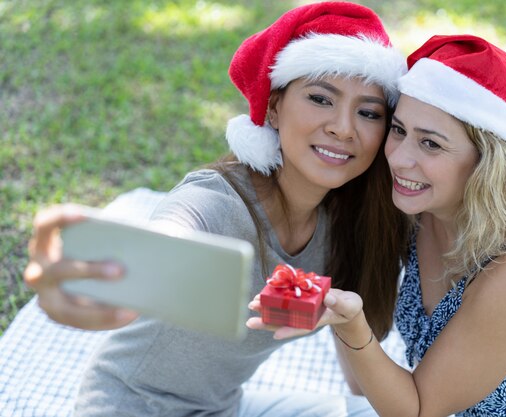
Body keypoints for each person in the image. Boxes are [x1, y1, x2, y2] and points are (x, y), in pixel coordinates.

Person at [23, 3, 411, 416]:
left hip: (224, 408)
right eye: (320, 98)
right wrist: (112, 285)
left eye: (368, 112)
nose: (344, 128)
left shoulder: (352, 224)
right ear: (274, 108)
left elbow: (352, 347)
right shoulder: (217, 200)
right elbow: (171, 236)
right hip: (130, 406)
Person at [249, 34, 506, 416]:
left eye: (430, 144)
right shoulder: (421, 211)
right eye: (398, 130)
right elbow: (368, 388)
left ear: (487, 164)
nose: (399, 159)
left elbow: (419, 410)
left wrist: (352, 328)